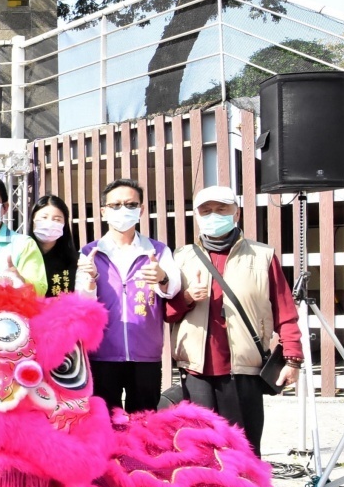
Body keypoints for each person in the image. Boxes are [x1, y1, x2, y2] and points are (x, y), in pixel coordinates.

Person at [167, 185, 302, 457]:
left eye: (221, 210)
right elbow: (166, 312)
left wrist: (292, 358)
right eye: (206, 211)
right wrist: (187, 298)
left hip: (243, 368)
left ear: (236, 214)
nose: (213, 216)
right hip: (196, 369)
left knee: (244, 446)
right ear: (197, 216)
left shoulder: (262, 256)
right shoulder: (180, 257)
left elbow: (284, 311)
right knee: (200, 446)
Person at [77, 178, 181, 414]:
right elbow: (82, 303)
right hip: (102, 354)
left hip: (145, 354)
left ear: (141, 210)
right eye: (115, 205)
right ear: (103, 212)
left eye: (130, 205)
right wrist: (91, 278)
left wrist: (162, 277)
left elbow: (173, 288)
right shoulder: (90, 252)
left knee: (144, 423)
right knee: (105, 422)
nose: (123, 210)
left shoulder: (157, 250)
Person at [30, 195, 79, 296]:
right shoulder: (22, 254)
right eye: (44, 217)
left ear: (64, 224)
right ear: (33, 220)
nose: (49, 223)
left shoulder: (76, 260)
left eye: (57, 219)